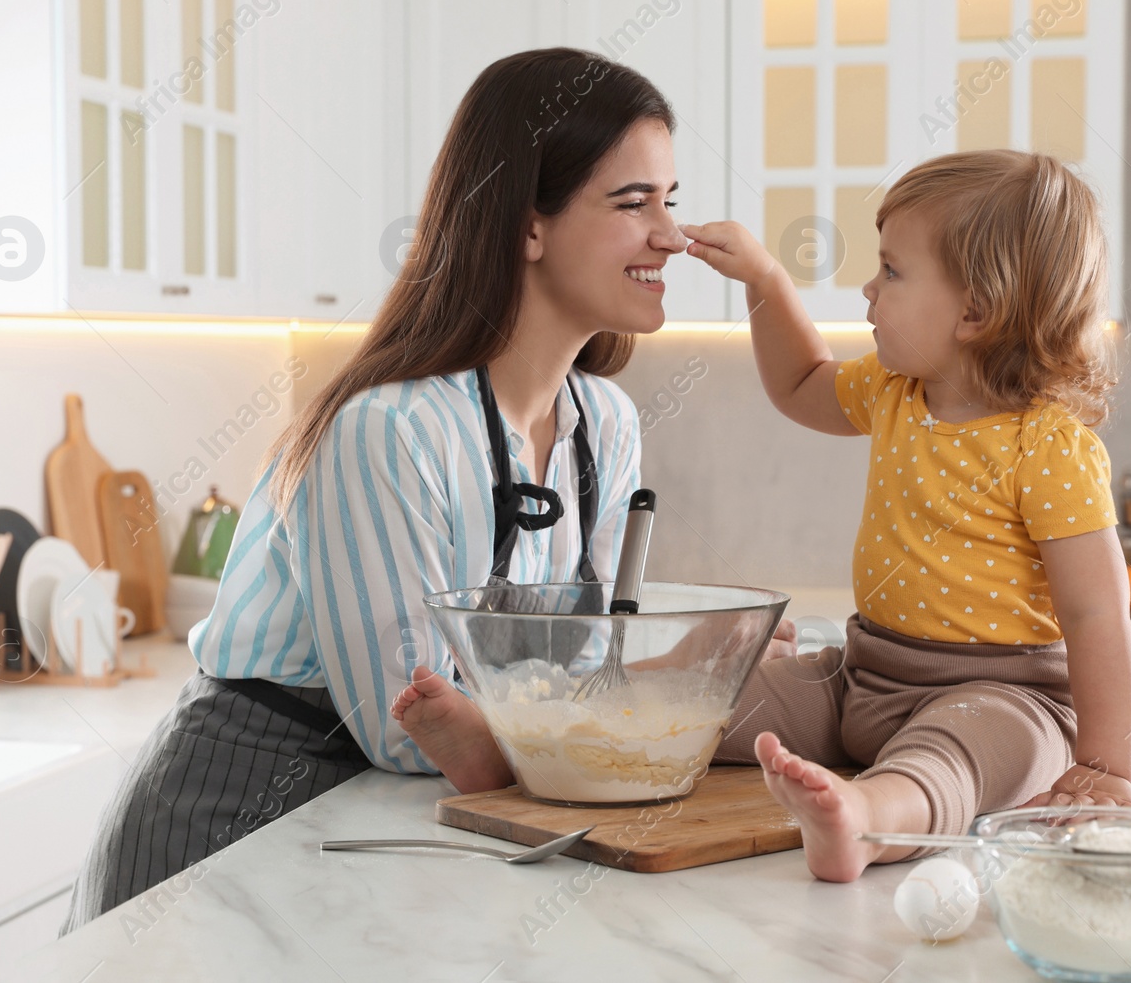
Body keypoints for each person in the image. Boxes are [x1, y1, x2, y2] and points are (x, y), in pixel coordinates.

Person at [61, 46, 697, 932]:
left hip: (388, 819)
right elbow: (401, 724)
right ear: (526, 225)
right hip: (229, 820)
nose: (672, 235)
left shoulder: (606, 425)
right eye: (633, 204)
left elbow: (581, 674)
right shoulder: (387, 430)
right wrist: (630, 702)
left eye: (672, 201)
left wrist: (639, 690)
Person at [676, 149, 1131, 881]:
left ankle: (864, 819)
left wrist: (1107, 765)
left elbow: (1097, 616)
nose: (868, 286)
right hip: (865, 676)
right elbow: (801, 382)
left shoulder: (1050, 446)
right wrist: (767, 281)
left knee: (947, 763)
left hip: (1002, 700)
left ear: (976, 310)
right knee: (707, 684)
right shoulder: (894, 389)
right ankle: (526, 734)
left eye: (891, 270)